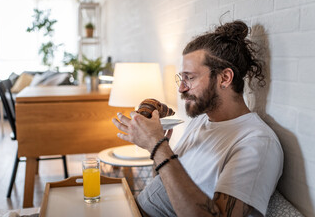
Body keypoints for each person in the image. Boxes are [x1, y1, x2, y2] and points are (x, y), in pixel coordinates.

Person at [112, 20, 283, 217]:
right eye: (181, 78)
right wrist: (155, 146)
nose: (181, 88)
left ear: (224, 78)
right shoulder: (201, 121)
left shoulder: (256, 143)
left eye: (190, 78)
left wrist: (158, 147)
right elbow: (168, 185)